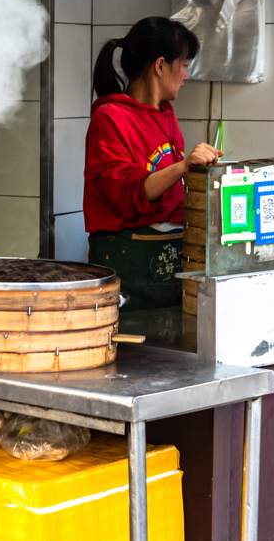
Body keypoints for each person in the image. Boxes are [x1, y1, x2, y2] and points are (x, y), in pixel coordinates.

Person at [83, 16, 221, 327]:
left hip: (171, 263)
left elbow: (173, 189)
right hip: (130, 266)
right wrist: (184, 165)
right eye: (183, 64)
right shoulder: (110, 117)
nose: (186, 75)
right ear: (160, 65)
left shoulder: (165, 115)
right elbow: (126, 193)